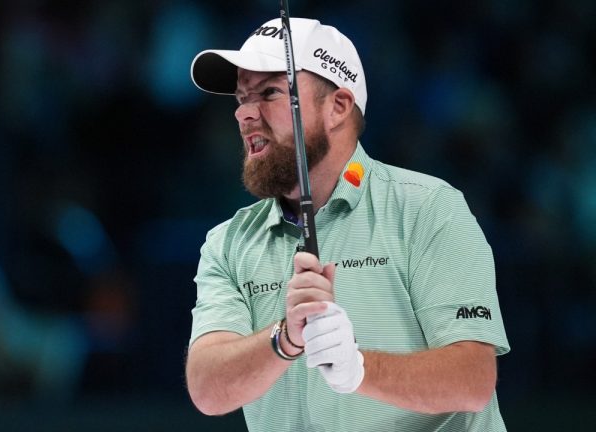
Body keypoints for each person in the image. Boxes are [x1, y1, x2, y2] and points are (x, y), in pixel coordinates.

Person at [185, 17, 510, 431]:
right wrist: (285, 338)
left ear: (337, 106)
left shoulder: (428, 207)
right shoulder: (227, 243)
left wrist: (357, 368)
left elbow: (472, 379)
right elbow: (207, 389)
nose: (244, 114)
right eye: (240, 98)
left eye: (268, 92)